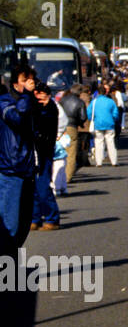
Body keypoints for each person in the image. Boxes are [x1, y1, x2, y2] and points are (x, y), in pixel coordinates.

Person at [0, 65, 38, 253]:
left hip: (28, 170)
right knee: (9, 227)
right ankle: (6, 271)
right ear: (15, 83)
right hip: (10, 170)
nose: (30, 84)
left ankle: (10, 264)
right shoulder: (4, 102)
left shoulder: (30, 101)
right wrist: (27, 96)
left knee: (24, 225)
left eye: (32, 80)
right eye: (25, 80)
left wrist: (46, 105)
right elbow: (16, 119)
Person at [30, 81, 61, 231]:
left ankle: (52, 218)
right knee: (32, 188)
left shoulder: (51, 108)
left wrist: (44, 105)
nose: (39, 100)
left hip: (44, 152)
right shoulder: (33, 107)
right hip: (33, 151)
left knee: (42, 187)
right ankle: (35, 218)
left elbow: (46, 120)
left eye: (42, 97)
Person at [59, 82, 88, 184]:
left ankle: (58, 176)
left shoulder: (62, 100)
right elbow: (83, 117)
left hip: (60, 127)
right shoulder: (80, 102)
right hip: (72, 126)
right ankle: (67, 177)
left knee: (60, 152)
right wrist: (80, 123)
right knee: (71, 153)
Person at [88, 82, 120, 168]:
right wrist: (113, 119)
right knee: (110, 142)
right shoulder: (110, 101)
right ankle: (114, 161)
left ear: (98, 92)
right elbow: (116, 113)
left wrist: (93, 119)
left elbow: (89, 113)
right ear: (105, 92)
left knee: (98, 143)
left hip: (98, 124)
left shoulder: (94, 102)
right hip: (109, 124)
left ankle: (99, 162)